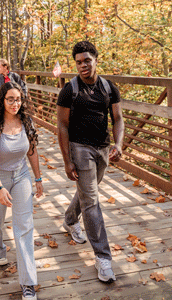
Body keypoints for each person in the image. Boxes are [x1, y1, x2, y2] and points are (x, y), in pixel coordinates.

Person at [57, 41, 124, 283]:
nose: (83, 65)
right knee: (92, 200)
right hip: (80, 148)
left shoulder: (109, 87)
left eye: (87, 60)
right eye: (78, 62)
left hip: (103, 148)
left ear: (96, 59)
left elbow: (117, 118)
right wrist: (67, 161)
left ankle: (69, 220)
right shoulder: (69, 90)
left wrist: (118, 144)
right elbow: (62, 126)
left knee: (88, 192)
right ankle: (103, 258)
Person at [0, 82, 43, 300]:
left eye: (18, 99)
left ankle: (28, 283)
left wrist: (38, 178)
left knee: (24, 227)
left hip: (21, 175)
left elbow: (32, 150)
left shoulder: (26, 121)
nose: (15, 104)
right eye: (10, 99)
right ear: (2, 101)